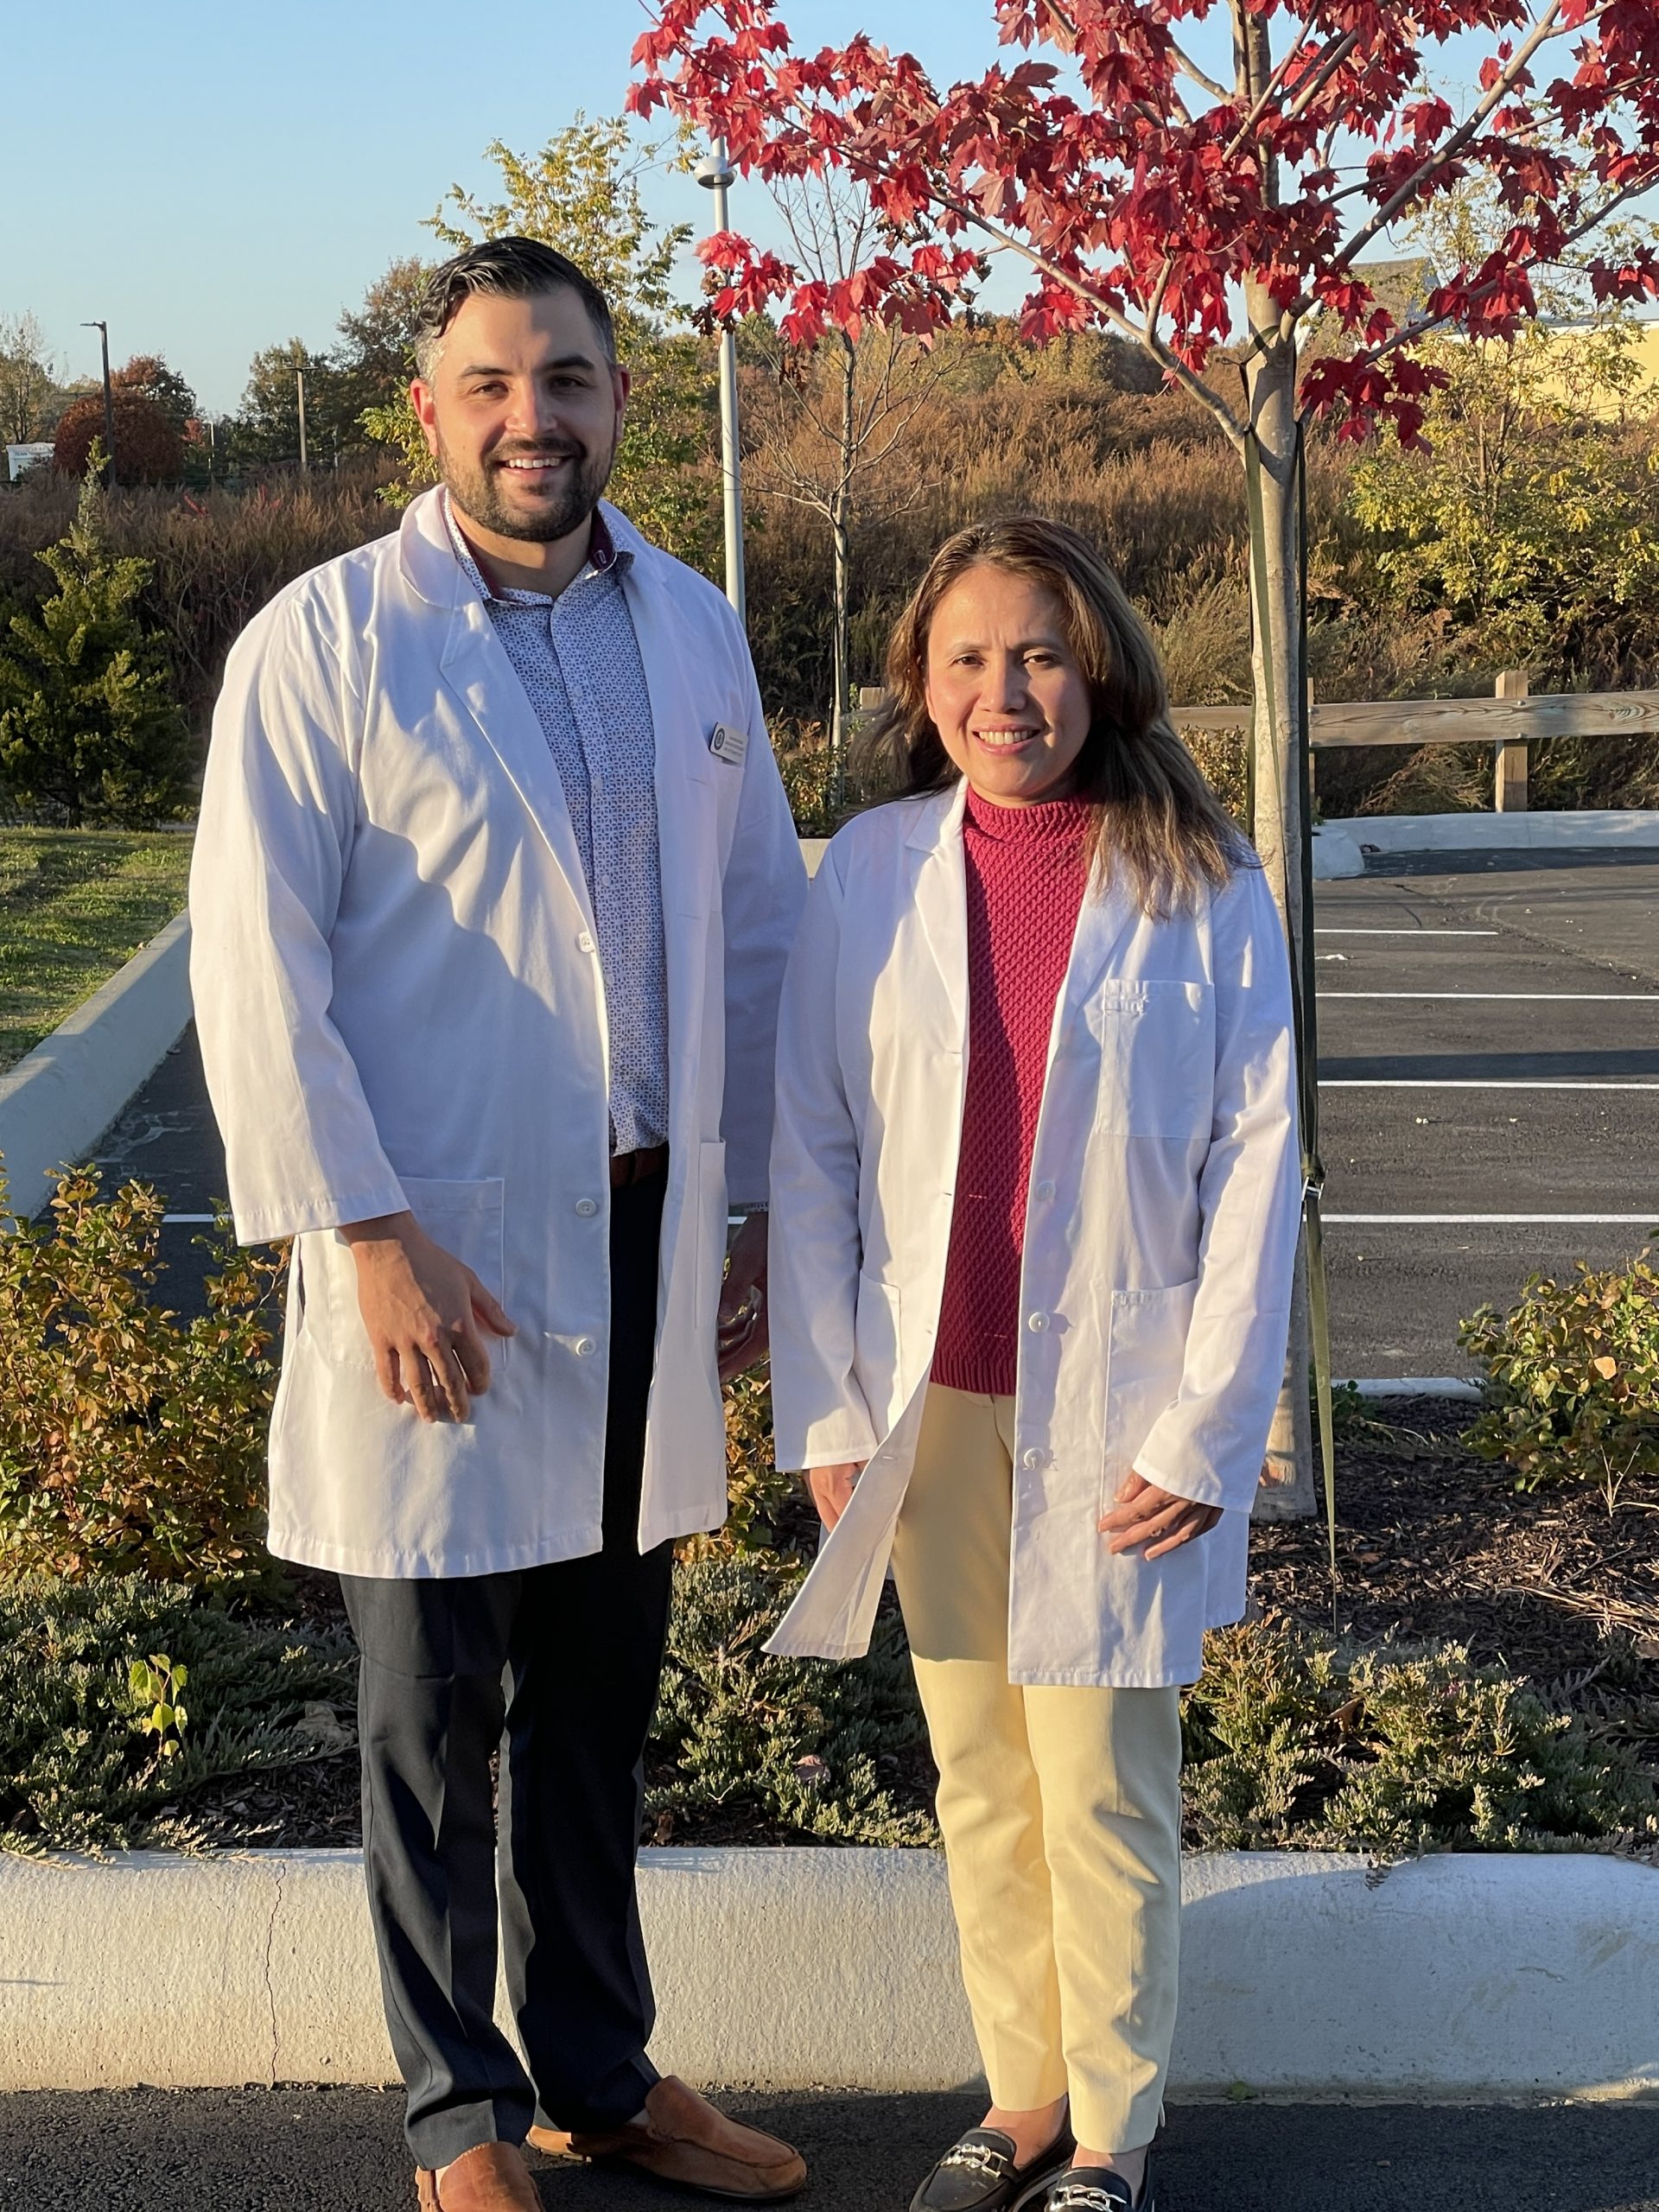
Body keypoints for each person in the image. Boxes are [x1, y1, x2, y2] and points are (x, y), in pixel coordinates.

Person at [190, 238, 808, 2212]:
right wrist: (357, 1230)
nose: (531, 416)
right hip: (433, 1244)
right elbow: (254, 961)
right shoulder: (325, 641)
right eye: (489, 381)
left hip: (643, 1229)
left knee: (604, 1696)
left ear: (620, 400)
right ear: (428, 407)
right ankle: (457, 2113)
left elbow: (768, 926)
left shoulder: (692, 627)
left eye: (567, 379)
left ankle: (603, 2073)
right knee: (435, 1708)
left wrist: (772, 1208)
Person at [765, 518, 1300, 2212]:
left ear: (1105, 668)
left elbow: (1256, 1170)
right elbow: (814, 1151)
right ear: (924, 689)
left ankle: (1116, 2127)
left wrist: (1209, 1427)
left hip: (1120, 1419)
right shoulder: (867, 870)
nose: (1009, 689)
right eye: (972, 657)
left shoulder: (1203, 882)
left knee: (1100, 1779)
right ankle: (1023, 2094)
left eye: (1043, 650)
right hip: (935, 1402)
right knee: (980, 1771)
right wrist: (829, 1409)